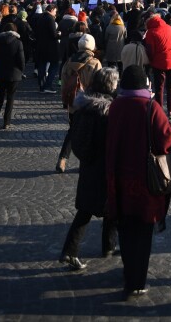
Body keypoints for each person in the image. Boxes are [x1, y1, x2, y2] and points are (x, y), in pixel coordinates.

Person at [106, 64, 171, 300]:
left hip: (120, 177)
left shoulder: (116, 106)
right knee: (143, 232)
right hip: (145, 179)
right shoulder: (150, 107)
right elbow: (166, 139)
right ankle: (138, 280)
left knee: (126, 229)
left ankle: (129, 273)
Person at [59, 68, 119, 270]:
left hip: (88, 165)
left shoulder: (84, 105)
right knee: (109, 204)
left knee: (87, 209)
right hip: (103, 165)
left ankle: (102, 245)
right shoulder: (107, 112)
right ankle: (81, 249)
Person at [56, 33, 101, 173]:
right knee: (91, 134)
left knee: (72, 131)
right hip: (89, 103)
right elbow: (99, 85)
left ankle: (62, 159)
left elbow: (63, 84)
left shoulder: (68, 62)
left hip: (73, 103)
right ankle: (85, 162)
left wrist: (66, 100)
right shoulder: (95, 63)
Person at [144, 13, 171, 120]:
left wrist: (150, 61)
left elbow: (151, 50)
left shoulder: (150, 32)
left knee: (159, 87)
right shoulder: (169, 27)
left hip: (159, 62)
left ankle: (159, 112)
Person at [0, 22, 25, 129]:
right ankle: (7, 122)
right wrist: (21, 70)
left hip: (1, 72)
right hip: (14, 74)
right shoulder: (18, 42)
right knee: (10, 98)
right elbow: (21, 60)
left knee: (0, 97)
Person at [34, 3, 60, 93]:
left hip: (41, 46)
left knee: (42, 65)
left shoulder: (41, 17)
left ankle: (42, 86)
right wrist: (59, 34)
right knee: (54, 65)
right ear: (52, 10)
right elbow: (53, 34)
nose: (55, 13)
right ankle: (48, 85)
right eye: (55, 11)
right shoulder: (50, 19)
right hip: (50, 47)